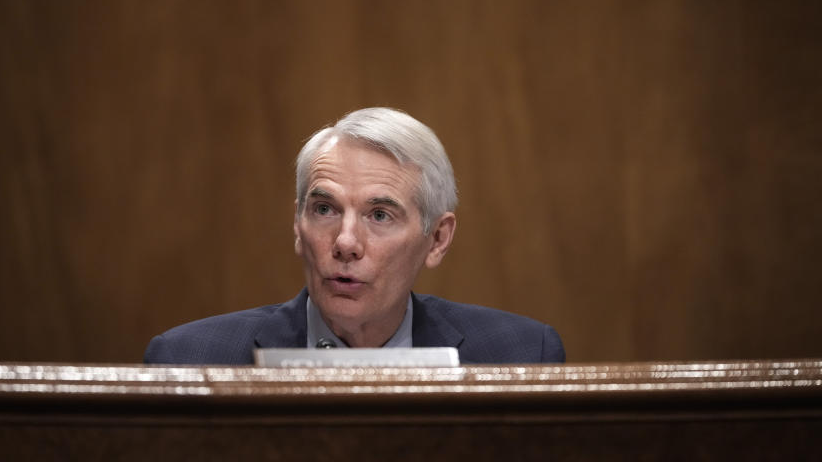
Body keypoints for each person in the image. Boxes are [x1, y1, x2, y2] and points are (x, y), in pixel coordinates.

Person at [145, 107, 565, 364]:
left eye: (379, 215)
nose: (345, 242)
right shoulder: (189, 363)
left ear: (437, 239)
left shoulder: (521, 356)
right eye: (324, 209)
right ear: (297, 225)